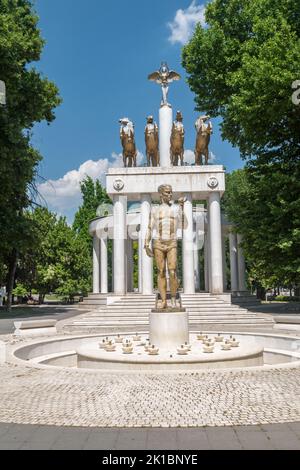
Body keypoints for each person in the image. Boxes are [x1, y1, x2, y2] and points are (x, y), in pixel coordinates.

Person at [144, 185, 186, 309]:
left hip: (172, 241)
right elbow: (150, 227)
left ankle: (173, 297)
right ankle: (163, 300)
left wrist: (182, 209)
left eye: (171, 192)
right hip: (158, 242)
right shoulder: (154, 209)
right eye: (168, 192)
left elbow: (184, 224)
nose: (170, 195)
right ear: (161, 194)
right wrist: (146, 244)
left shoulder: (176, 208)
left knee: (172, 271)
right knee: (161, 271)